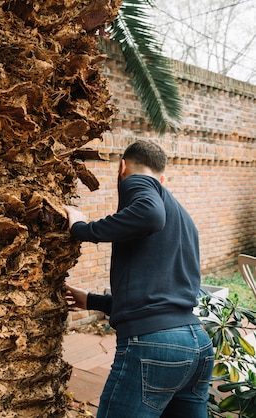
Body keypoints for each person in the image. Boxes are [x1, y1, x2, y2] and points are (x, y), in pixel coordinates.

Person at [63, 140, 214, 418]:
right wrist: (93, 301)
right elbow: (162, 295)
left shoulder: (138, 182)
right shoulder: (184, 219)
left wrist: (82, 228)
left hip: (154, 346)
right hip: (197, 344)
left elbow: (149, 215)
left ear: (122, 167)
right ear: (163, 176)